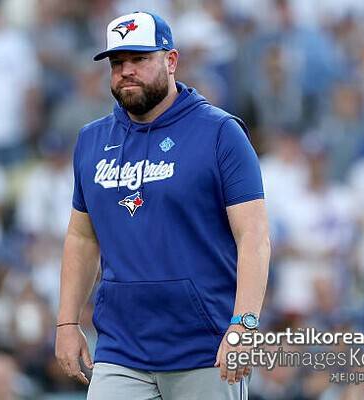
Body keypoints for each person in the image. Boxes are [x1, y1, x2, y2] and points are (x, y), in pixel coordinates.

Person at [55, 11, 271, 400]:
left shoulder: (220, 133)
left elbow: (253, 236)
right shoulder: (91, 141)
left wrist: (244, 325)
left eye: (139, 59)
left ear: (171, 60)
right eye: (117, 62)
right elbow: (82, 237)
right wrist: (67, 322)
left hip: (205, 348)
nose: (126, 71)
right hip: (121, 349)